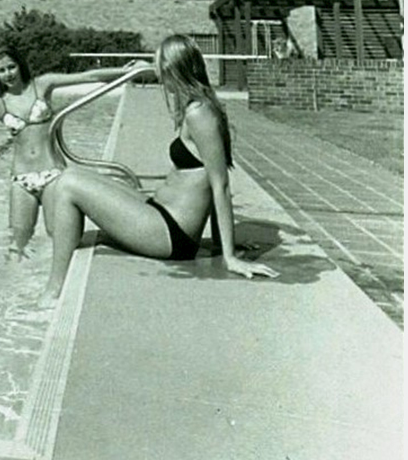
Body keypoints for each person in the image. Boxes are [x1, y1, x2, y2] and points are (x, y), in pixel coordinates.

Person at [39, 35, 278, 301]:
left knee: (68, 185)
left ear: (176, 70)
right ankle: (57, 263)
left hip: (170, 234)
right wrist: (222, 242)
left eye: (161, 69)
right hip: (160, 213)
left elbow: (219, 184)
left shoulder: (200, 114)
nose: (160, 77)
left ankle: (54, 289)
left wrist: (230, 256)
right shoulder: (197, 104)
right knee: (71, 175)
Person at [0, 46, 147, 258]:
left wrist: (130, 72)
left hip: (53, 174)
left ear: (20, 64)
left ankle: (117, 231)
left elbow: (89, 76)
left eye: (11, 66)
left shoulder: (42, 85)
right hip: (22, 180)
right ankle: (12, 287)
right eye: (2, 70)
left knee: (62, 238)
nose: (9, 74)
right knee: (17, 244)